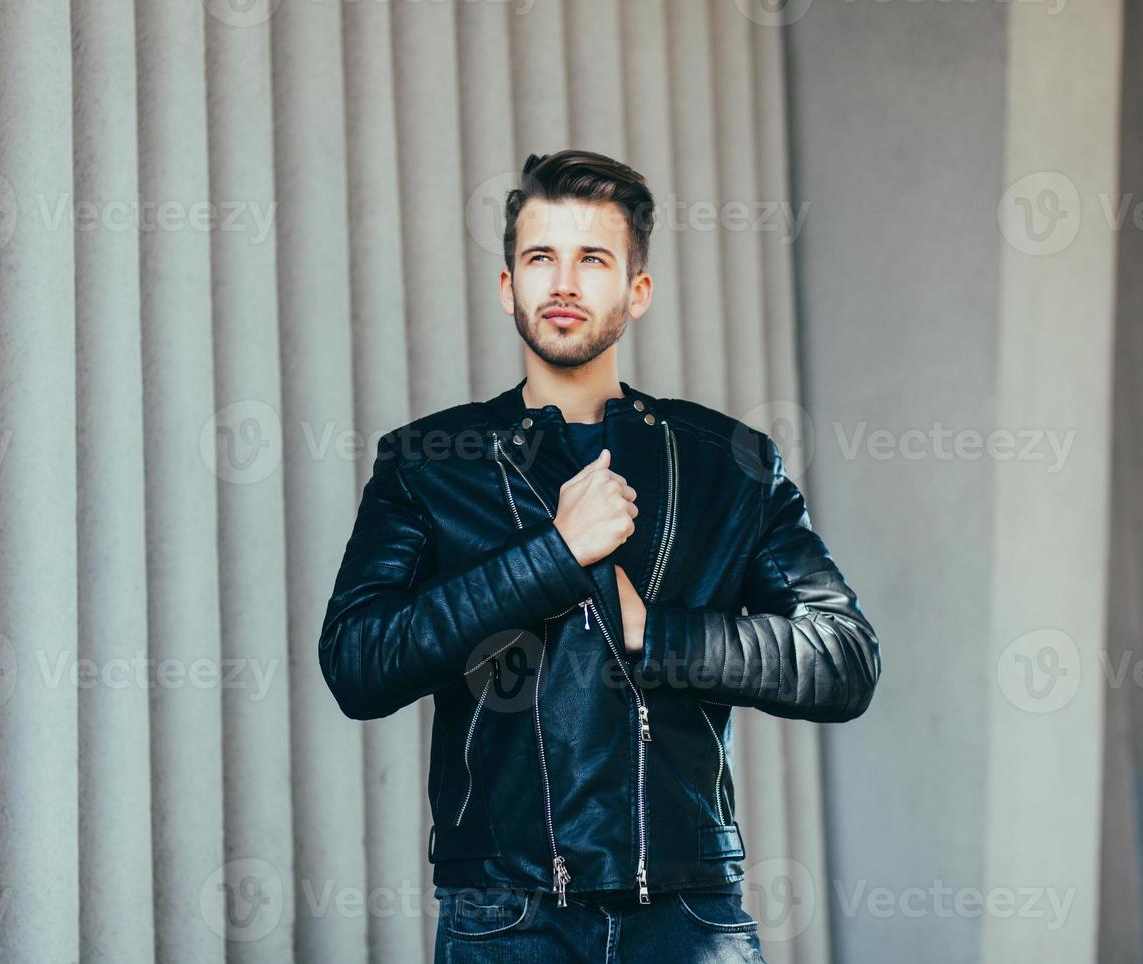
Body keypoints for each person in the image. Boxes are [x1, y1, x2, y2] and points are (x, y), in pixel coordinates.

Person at [319, 149, 880, 963]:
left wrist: (654, 631)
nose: (564, 282)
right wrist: (551, 556)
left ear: (637, 290)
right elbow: (358, 662)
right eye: (541, 257)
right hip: (506, 916)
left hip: (689, 914)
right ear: (508, 286)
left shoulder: (727, 462)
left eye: (593, 259)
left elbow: (843, 658)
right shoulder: (431, 463)